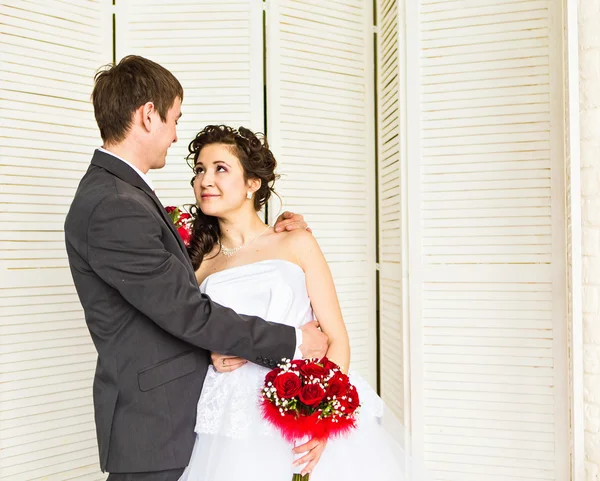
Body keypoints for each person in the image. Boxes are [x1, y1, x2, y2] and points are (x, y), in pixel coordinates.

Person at [64, 55, 328, 481]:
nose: (174, 135)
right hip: (157, 427)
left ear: (252, 183)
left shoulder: (122, 196)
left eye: (220, 169)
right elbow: (186, 311)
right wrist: (293, 341)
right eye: (173, 119)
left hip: (193, 422)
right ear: (148, 115)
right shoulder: (116, 205)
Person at [178, 125, 425, 481]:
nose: (205, 180)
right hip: (230, 420)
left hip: (299, 407)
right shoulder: (199, 262)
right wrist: (210, 352)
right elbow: (187, 328)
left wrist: (322, 423)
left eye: (220, 168)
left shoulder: (296, 242)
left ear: (252, 184)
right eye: (199, 169)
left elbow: (336, 338)